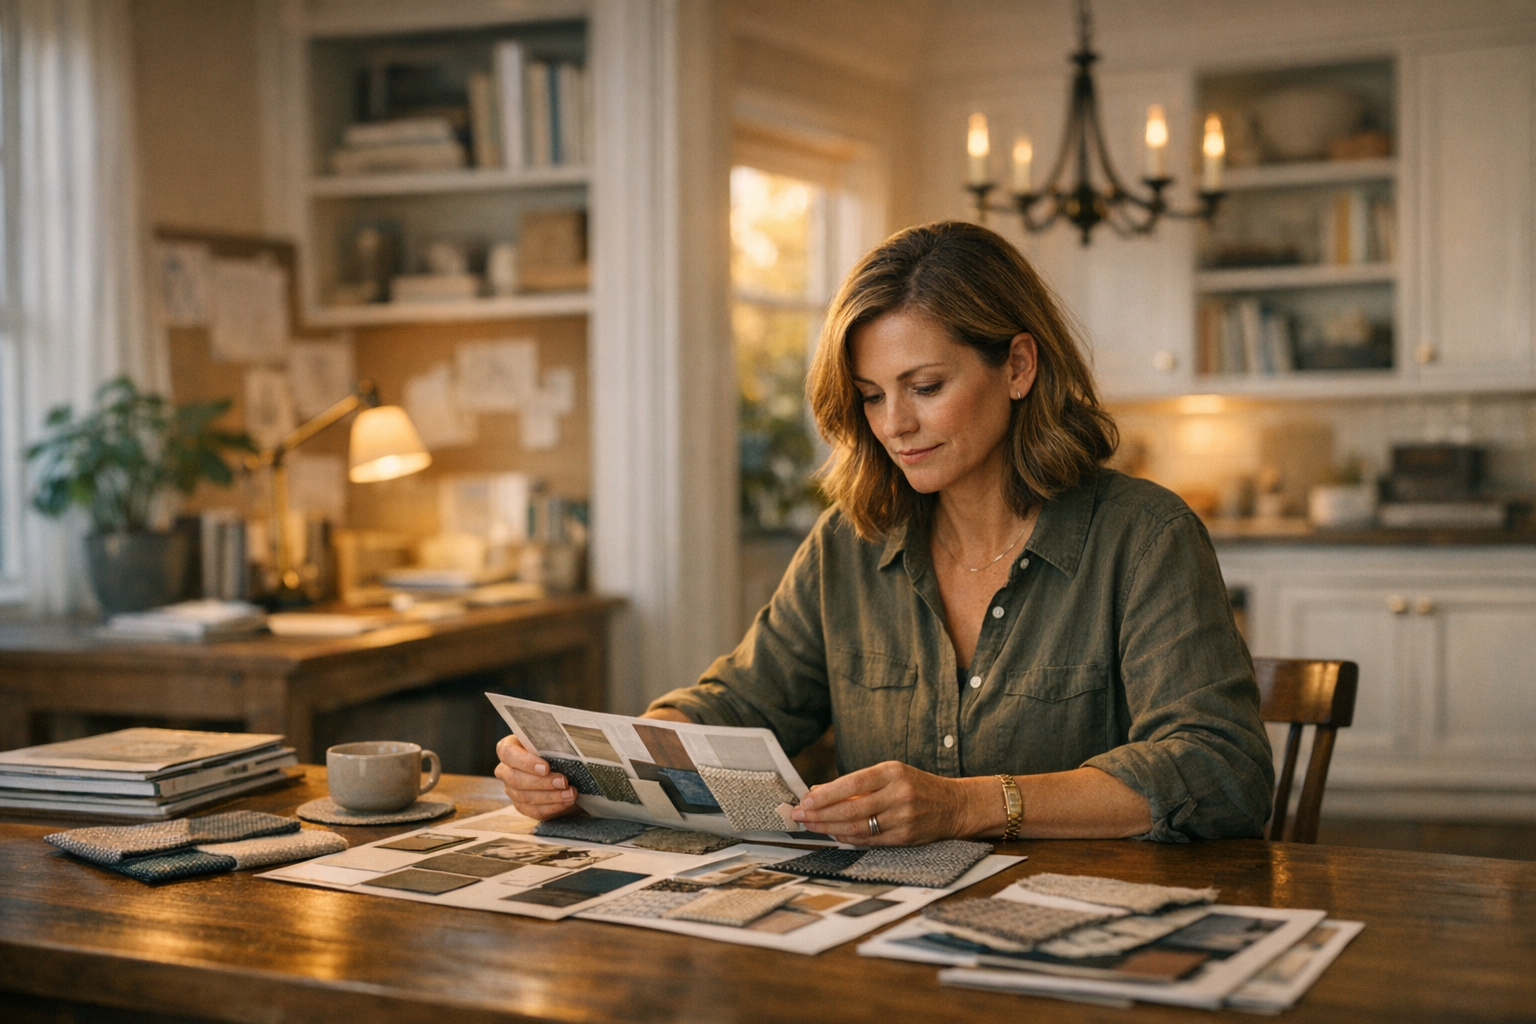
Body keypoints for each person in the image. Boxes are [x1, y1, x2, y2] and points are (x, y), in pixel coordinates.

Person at [497, 220, 1273, 845]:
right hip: (883, 942)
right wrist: (594, 761)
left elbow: (1219, 770)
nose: (895, 425)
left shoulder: (1145, 537)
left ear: (1019, 367)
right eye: (871, 396)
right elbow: (739, 701)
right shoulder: (852, 540)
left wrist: (964, 806)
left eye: (926, 387)